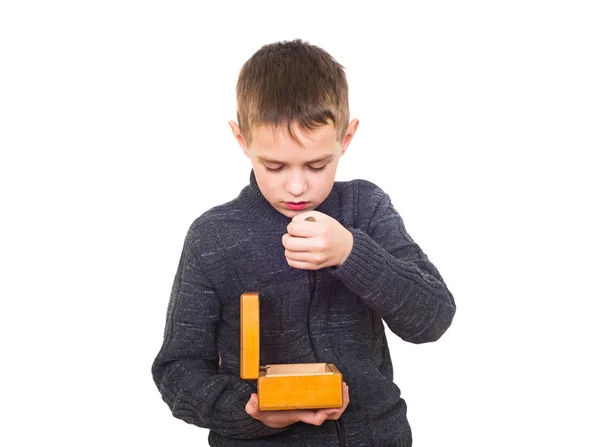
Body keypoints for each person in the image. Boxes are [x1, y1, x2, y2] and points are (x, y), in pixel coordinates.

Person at [152, 38, 456, 447]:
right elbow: (178, 370)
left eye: (317, 165)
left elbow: (433, 318)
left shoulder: (365, 208)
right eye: (274, 166)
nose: (296, 186)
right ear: (242, 140)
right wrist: (252, 410)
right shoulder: (213, 236)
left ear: (346, 139)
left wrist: (353, 253)